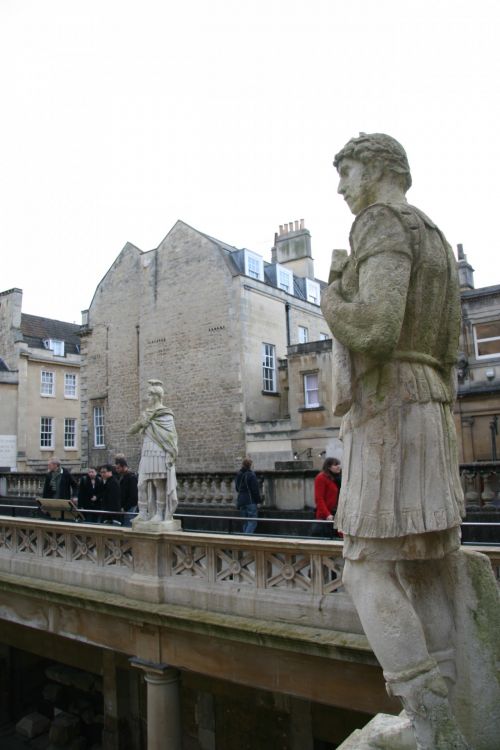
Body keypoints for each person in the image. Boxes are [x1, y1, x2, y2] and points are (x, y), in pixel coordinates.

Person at [321, 133, 469, 749]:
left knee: (365, 568)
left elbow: (377, 327)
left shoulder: (381, 221)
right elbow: (453, 349)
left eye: (348, 171)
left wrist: (329, 296)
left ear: (380, 169)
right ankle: (453, 712)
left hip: (390, 404)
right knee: (427, 566)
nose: (341, 186)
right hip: (430, 401)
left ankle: (426, 709)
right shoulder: (433, 232)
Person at [129, 379, 178, 523]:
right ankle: (143, 513)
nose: (147, 398)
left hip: (159, 450)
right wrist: (140, 423)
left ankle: (160, 514)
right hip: (146, 450)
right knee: (141, 484)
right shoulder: (145, 413)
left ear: (157, 396)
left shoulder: (165, 414)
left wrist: (170, 453)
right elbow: (131, 430)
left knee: (158, 484)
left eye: (150, 395)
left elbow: (171, 436)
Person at [313, 457, 341, 537]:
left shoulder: (337, 478)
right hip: (327, 516)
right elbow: (319, 499)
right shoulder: (321, 478)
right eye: (335, 465)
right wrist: (327, 514)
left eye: (339, 464)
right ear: (329, 467)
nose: (339, 466)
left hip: (336, 514)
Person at [235, 457, 260, 534]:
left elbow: (237, 488)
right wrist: (258, 501)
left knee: (245, 522)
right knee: (252, 522)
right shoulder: (251, 475)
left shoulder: (238, 474)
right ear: (250, 465)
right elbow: (255, 490)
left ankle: (244, 539)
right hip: (250, 501)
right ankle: (246, 539)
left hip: (241, 501)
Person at [114, 458, 138, 526]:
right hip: (124, 507)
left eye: (118, 468)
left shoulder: (131, 477)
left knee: (127, 527)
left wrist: (125, 508)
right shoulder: (122, 477)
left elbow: (134, 496)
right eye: (116, 468)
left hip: (129, 508)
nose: (117, 470)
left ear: (124, 467)